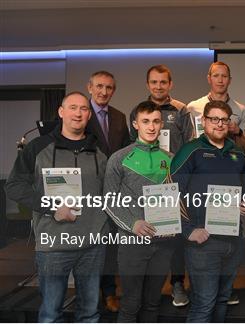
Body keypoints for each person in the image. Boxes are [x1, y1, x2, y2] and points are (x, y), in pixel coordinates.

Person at [5, 91, 109, 322]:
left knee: (90, 311)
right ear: (61, 112)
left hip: (92, 245)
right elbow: (14, 186)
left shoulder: (99, 151)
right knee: (51, 312)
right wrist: (52, 206)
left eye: (83, 109)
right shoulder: (38, 148)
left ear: (89, 114)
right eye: (73, 107)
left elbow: (109, 193)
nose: (78, 113)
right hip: (54, 245)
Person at [170, 100, 245, 322]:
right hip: (203, 243)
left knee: (222, 299)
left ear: (229, 123)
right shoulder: (191, 151)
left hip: (234, 240)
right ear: (204, 121)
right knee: (204, 303)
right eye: (214, 119)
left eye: (224, 120)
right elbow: (169, 192)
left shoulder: (236, 152)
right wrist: (189, 230)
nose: (219, 124)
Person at [104, 100, 177, 322]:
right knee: (131, 302)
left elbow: (178, 199)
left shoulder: (171, 159)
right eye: (145, 121)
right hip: (132, 243)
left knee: (153, 302)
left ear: (161, 123)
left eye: (156, 121)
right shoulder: (119, 158)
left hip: (163, 243)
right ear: (135, 124)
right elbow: (109, 201)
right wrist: (133, 224)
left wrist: (174, 223)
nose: (151, 127)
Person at [130, 64, 194, 307]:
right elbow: (133, 145)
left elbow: (189, 145)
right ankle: (149, 287)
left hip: (173, 181)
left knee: (175, 237)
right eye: (154, 82)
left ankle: (177, 284)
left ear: (170, 84)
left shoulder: (181, 110)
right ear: (148, 84)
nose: (158, 86)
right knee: (149, 235)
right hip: (145, 182)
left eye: (163, 82)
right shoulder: (137, 111)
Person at [86, 70, 130, 312]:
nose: (104, 92)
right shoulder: (80, 113)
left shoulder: (119, 117)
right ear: (89, 87)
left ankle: (110, 292)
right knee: (91, 246)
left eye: (109, 88)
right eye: (100, 86)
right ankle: (90, 295)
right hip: (89, 191)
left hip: (114, 192)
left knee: (111, 245)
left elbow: (124, 152)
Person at [187, 61, 245, 151]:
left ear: (230, 80)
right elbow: (188, 142)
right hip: (202, 158)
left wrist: (238, 132)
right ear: (209, 79)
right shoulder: (193, 107)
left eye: (224, 76)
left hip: (229, 159)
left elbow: (244, 147)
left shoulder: (241, 110)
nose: (220, 80)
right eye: (216, 76)